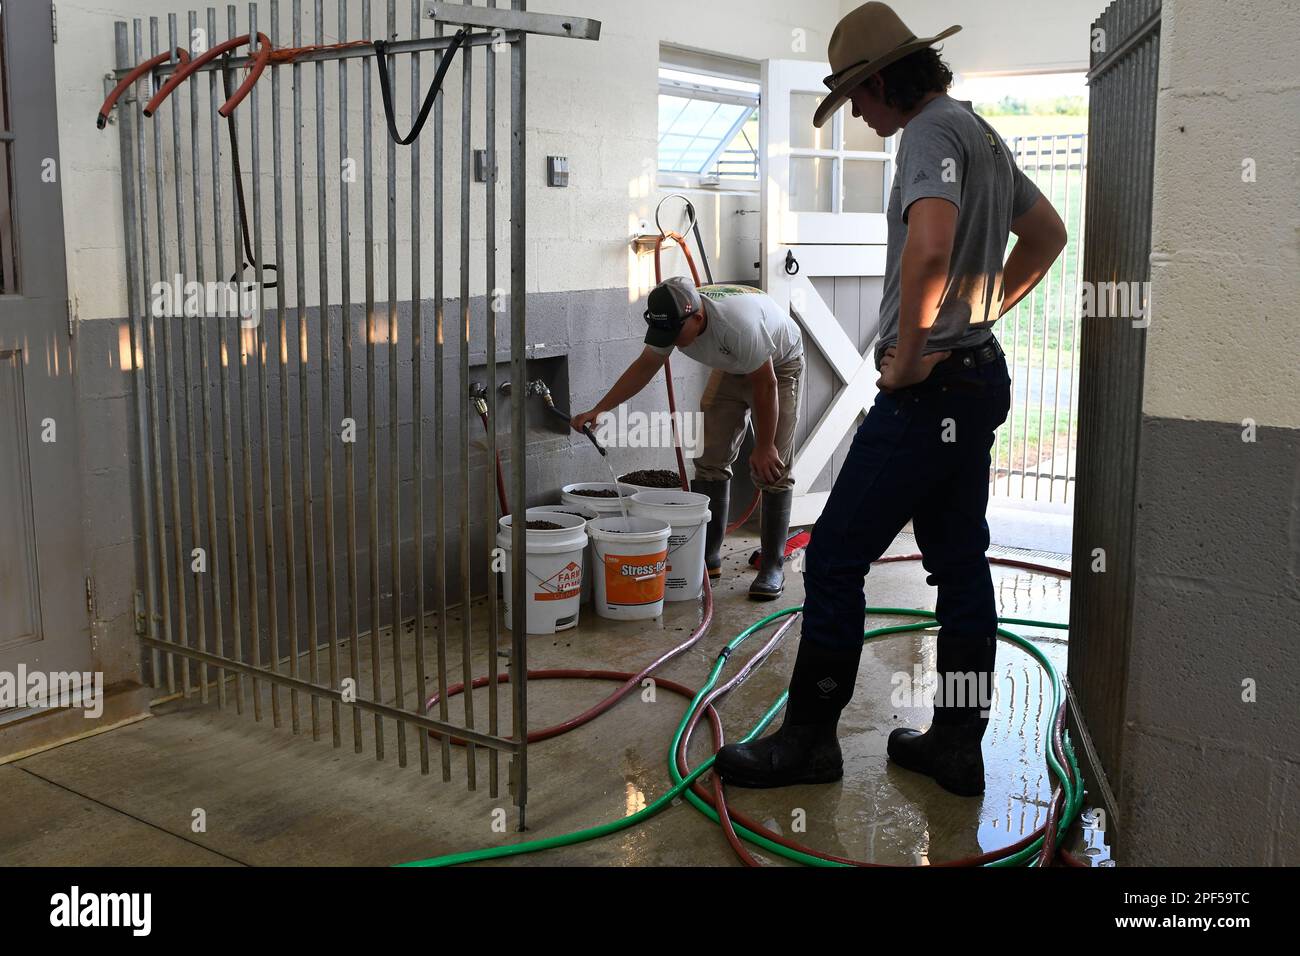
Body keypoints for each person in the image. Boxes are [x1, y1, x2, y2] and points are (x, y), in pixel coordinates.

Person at [713, 1, 1067, 795]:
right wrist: (977, 317)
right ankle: (955, 744)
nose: (861, 118)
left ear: (881, 82)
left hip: (931, 392)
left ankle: (809, 743)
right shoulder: (977, 130)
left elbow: (931, 246)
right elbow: (1048, 237)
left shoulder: (929, 134)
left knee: (835, 558)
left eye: (859, 100)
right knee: (959, 563)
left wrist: (910, 358)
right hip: (976, 379)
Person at [571, 280, 804, 600]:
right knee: (709, 457)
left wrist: (764, 446)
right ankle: (707, 557)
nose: (671, 343)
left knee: (772, 467)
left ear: (696, 318)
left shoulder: (738, 325)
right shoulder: (673, 317)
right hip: (732, 366)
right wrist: (601, 409)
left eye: (675, 335)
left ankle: (772, 566)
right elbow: (644, 367)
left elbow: (765, 385)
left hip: (777, 366)